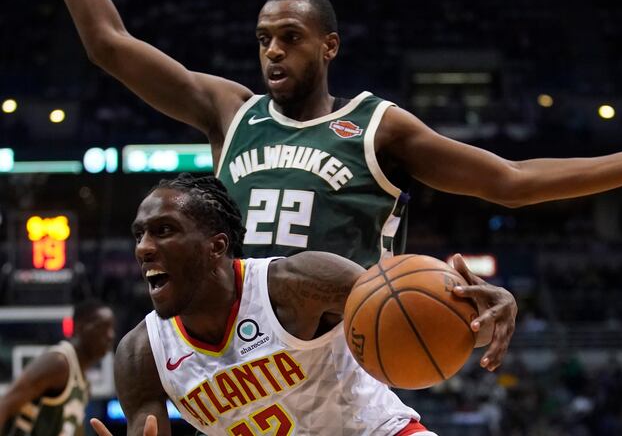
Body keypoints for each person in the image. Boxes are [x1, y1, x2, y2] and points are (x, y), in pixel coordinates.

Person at [63, 0, 622, 268]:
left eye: (289, 39)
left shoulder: (378, 127)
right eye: (263, 38)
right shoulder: (229, 111)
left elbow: (510, 181)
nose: (272, 51)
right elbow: (109, 43)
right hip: (242, 352)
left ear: (329, 47)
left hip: (341, 352)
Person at [88, 173, 516, 435]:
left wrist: (485, 319)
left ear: (216, 247)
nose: (144, 248)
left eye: (163, 231)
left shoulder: (299, 284)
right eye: (139, 235)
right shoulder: (140, 355)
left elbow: (422, 327)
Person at [0, 300, 116, 436]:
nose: (110, 335)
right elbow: (5, 404)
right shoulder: (58, 363)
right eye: (101, 327)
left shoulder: (84, 383)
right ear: (79, 327)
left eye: (112, 328)